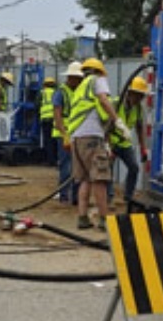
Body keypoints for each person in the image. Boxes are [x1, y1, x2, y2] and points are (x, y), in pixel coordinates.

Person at [66, 57, 130, 230]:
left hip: (77, 138)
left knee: (85, 179)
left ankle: (82, 218)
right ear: (99, 71)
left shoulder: (80, 88)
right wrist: (117, 121)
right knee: (99, 179)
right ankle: (104, 219)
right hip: (91, 138)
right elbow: (103, 99)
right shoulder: (97, 80)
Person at [108, 76, 149, 205]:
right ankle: (108, 197)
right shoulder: (115, 104)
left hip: (124, 143)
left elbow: (139, 128)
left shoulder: (138, 108)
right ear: (130, 93)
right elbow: (105, 126)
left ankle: (128, 197)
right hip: (111, 141)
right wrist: (108, 146)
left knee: (134, 168)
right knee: (108, 169)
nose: (139, 99)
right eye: (137, 95)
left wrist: (143, 148)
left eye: (141, 96)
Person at [52, 62, 85, 203]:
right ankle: (64, 194)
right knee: (66, 165)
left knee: (77, 166)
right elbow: (57, 116)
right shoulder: (61, 92)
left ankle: (75, 196)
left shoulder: (79, 92)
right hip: (63, 134)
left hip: (77, 133)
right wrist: (65, 135)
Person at [39, 76, 57, 167]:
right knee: (54, 140)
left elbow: (37, 104)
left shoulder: (41, 93)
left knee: (47, 140)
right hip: (55, 118)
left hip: (45, 119)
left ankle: (50, 160)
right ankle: (56, 159)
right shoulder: (56, 93)